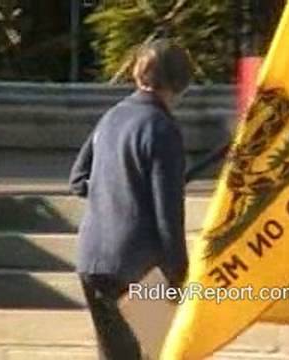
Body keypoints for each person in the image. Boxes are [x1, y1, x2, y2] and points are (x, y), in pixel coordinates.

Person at [69, 39, 193, 360]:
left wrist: (116, 188)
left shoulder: (111, 116)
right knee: (160, 351)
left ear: (137, 74)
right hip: (135, 266)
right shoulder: (163, 129)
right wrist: (180, 276)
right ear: (180, 83)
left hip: (92, 258)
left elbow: (78, 180)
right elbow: (168, 215)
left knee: (116, 354)